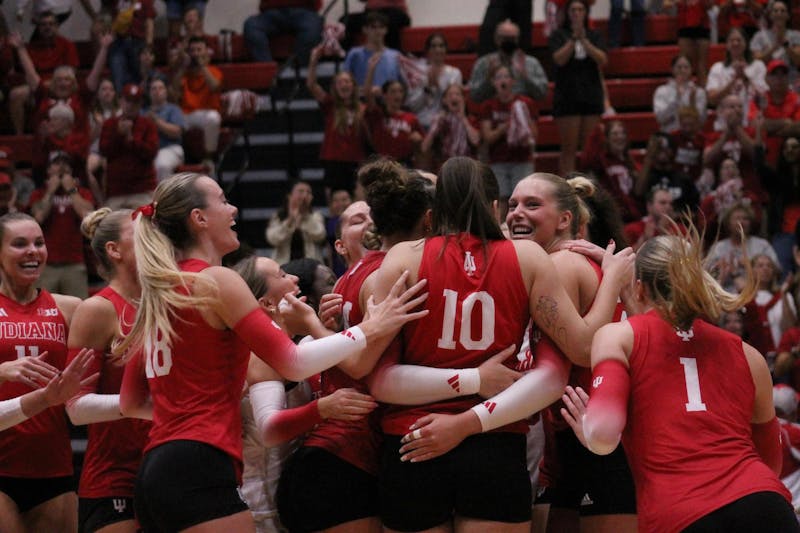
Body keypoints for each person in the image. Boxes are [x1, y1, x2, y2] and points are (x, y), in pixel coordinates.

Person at [117, 172, 429, 531]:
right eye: (222, 200)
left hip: (155, 468)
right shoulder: (216, 280)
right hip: (200, 463)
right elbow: (293, 363)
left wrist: (190, 405)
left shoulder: (159, 294)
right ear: (199, 219)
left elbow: (130, 403)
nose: (233, 208)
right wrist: (369, 329)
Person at [369, 157, 633, 532]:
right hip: (495, 440)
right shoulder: (528, 257)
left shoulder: (401, 259)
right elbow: (583, 348)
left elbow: (377, 376)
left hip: (413, 438)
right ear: (495, 207)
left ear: (433, 212)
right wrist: (612, 280)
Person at [561, 223, 800, 533]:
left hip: (683, 513)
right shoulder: (748, 354)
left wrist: (590, 431)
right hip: (765, 505)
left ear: (639, 288)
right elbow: (771, 462)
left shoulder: (616, 337)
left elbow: (604, 434)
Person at [278, 160, 434, 533]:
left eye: (369, 215)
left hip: (332, 458)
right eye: (354, 219)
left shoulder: (347, 281)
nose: (365, 222)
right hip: (344, 459)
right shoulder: (383, 275)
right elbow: (360, 365)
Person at [0, 212, 90, 532]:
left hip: (52, 464)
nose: (33, 251)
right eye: (19, 244)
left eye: (39, 243)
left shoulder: (71, 308)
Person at [65, 207, 150, 533]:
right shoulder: (97, 309)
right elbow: (76, 409)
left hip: (166, 464)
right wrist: (152, 408)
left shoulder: (168, 302)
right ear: (114, 250)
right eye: (143, 235)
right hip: (114, 474)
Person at [549, 0, 607, 175]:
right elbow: (559, 59)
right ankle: (567, 189)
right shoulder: (559, 35)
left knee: (590, 148)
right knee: (569, 148)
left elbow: (602, 59)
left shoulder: (595, 35)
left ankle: (589, 188)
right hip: (567, 96)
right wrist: (574, 39)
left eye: (580, 9)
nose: (576, 13)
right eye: (573, 9)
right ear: (567, 13)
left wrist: (584, 40)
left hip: (591, 94)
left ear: (586, 12)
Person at [29, 155, 95, 299]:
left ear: (71, 170)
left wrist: (71, 190)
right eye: (56, 164)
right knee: (44, 311)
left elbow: (87, 216)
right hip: (46, 266)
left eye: (65, 163)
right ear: (48, 170)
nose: (61, 167)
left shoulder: (83, 193)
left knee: (78, 311)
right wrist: (50, 192)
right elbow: (39, 216)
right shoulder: (38, 194)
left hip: (74, 264)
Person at [307, 45, 367, 197]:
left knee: (357, 200)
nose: (344, 85)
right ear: (335, 87)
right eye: (340, 82)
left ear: (354, 86)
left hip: (355, 160)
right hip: (333, 159)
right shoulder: (330, 105)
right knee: (335, 202)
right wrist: (313, 60)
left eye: (347, 82)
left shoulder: (363, 108)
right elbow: (312, 85)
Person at [479, 64, 537, 216]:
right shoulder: (488, 106)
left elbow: (534, 135)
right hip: (498, 160)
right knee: (500, 200)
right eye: (499, 77)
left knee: (524, 199)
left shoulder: (525, 104)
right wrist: (507, 126)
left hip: (522, 159)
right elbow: (488, 137)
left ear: (513, 81)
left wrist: (521, 122)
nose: (503, 80)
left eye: (506, 76)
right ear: (493, 82)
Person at [98, 83, 159, 209]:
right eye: (128, 101)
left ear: (140, 103)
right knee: (109, 225)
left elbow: (151, 153)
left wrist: (131, 139)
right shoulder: (110, 124)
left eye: (135, 102)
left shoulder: (148, 125)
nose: (131, 105)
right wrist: (119, 135)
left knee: (145, 225)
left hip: (142, 191)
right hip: (116, 192)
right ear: (120, 101)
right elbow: (103, 150)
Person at [171, 36, 223, 171]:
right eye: (192, 50)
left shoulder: (213, 70)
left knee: (214, 118)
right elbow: (174, 90)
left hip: (205, 114)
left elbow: (214, 86)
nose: (195, 53)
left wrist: (202, 66)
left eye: (199, 50)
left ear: (206, 52)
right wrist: (183, 66)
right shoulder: (185, 73)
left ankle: (208, 157)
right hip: (185, 114)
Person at [468, 19, 548, 104]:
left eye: (512, 38)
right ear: (496, 39)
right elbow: (474, 97)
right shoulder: (484, 63)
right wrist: (489, 78)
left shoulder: (531, 63)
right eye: (505, 38)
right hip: (494, 112)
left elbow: (542, 94)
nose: (509, 42)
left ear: (517, 40)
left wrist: (526, 76)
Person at [364, 54, 424, 166]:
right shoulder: (378, 114)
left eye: (400, 91)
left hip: (405, 163)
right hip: (382, 164)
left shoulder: (411, 118)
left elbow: (421, 145)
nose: (398, 95)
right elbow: (367, 94)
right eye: (393, 91)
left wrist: (418, 141)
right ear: (384, 95)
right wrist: (371, 69)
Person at [581, 120, 645, 223]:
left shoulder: (632, 163)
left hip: (635, 216)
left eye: (623, 133)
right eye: (615, 133)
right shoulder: (602, 162)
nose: (620, 137)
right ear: (606, 139)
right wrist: (598, 130)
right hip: (614, 216)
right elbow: (588, 160)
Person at [707, 201, 779, 292]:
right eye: (737, 218)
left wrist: (752, 266)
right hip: (725, 295)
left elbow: (777, 270)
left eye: (745, 219)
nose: (741, 222)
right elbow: (707, 275)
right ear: (728, 223)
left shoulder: (762, 245)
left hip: (757, 294)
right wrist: (720, 270)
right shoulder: (718, 248)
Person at [706, 27, 767, 131]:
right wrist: (733, 81)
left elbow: (763, 100)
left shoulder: (758, 66)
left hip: (752, 123)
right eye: (732, 40)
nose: (735, 43)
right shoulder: (717, 68)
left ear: (746, 43)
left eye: (739, 40)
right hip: (724, 125)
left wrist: (745, 78)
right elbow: (712, 100)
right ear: (727, 44)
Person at [403, 33, 464, 131]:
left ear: (445, 49)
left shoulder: (455, 73)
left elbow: (457, 106)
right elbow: (412, 106)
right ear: (427, 50)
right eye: (433, 46)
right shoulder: (418, 73)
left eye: (441, 46)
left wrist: (440, 90)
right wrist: (427, 90)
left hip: (445, 124)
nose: (438, 50)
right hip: (421, 122)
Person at [243, 0, 322, 66]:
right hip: (271, 13)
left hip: (304, 12)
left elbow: (317, 4)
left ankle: (298, 71)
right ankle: (268, 72)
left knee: (312, 28)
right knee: (251, 25)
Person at [266, 180, 327, 265]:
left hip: (311, 265)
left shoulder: (316, 216)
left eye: (308, 192)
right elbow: (273, 239)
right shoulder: (279, 216)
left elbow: (320, 235)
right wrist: (290, 220)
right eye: (301, 191)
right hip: (284, 266)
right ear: (289, 196)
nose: (305, 195)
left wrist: (305, 216)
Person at [342, 11, 401, 90]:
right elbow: (346, 82)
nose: (378, 31)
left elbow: (401, 84)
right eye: (373, 27)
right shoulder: (354, 54)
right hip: (361, 99)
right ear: (364, 29)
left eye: (381, 27)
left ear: (386, 30)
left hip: (387, 100)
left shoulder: (395, 55)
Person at [145, 76, 186, 182]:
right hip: (147, 151)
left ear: (166, 91)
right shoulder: (142, 113)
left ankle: (164, 198)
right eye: (153, 88)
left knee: (161, 165)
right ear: (149, 93)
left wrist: (157, 122)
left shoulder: (173, 109)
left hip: (170, 148)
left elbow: (177, 132)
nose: (157, 91)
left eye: (160, 88)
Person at [750, 0, 800, 87]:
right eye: (775, 11)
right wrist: (774, 47)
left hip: (791, 81)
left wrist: (786, 46)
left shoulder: (796, 35)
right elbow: (756, 61)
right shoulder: (759, 36)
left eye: (782, 11)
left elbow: (798, 60)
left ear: (788, 15)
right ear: (770, 15)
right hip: (766, 81)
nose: (779, 13)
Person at [653, 55, 708, 133]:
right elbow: (661, 118)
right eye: (679, 67)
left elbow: (701, 121)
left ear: (691, 70)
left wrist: (692, 103)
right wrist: (677, 98)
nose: (683, 70)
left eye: (686, 67)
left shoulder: (699, 92)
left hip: (693, 135)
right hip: (670, 133)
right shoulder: (662, 90)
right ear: (672, 69)